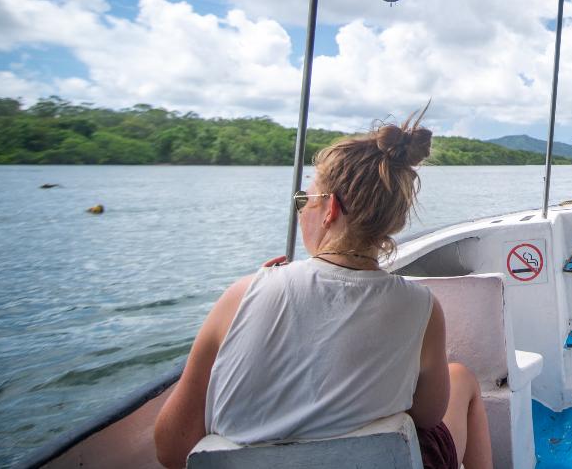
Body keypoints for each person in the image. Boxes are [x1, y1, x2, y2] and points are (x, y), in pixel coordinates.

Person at [153, 115, 492, 468]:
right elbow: (428, 415)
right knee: (461, 378)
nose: (301, 209)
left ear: (330, 209)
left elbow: (172, 449)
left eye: (305, 199)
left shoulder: (242, 295)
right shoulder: (421, 307)